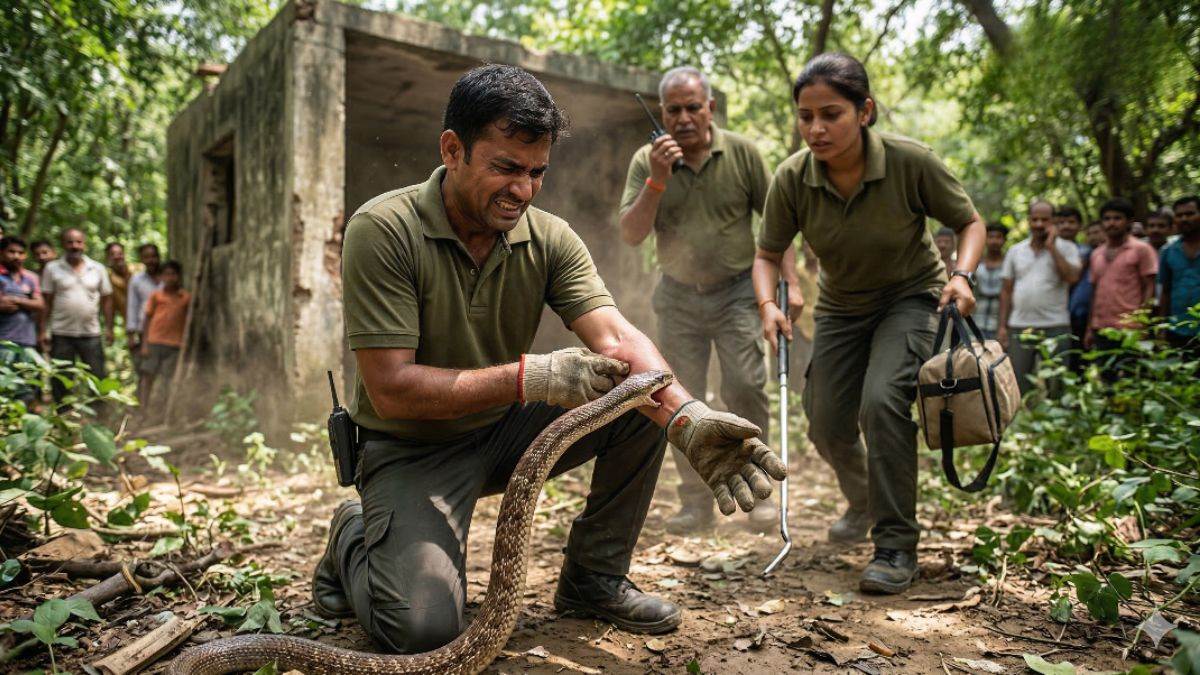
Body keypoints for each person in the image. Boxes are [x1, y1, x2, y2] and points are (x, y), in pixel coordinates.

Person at [316, 65, 786, 653]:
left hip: (503, 432)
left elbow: (615, 337)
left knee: (637, 395)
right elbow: (392, 389)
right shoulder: (384, 228)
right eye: (505, 168)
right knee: (422, 630)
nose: (524, 190)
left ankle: (593, 579)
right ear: (452, 149)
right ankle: (352, 535)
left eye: (537, 172)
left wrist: (687, 417)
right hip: (413, 447)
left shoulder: (549, 237)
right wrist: (534, 376)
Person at [752, 53, 985, 594]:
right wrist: (768, 303)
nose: (815, 129)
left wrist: (964, 274)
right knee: (825, 420)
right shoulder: (792, 177)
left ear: (865, 112)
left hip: (911, 296)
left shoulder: (910, 161)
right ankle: (863, 501)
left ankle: (895, 543)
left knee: (881, 402)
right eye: (805, 116)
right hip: (840, 306)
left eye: (830, 114)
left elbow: (968, 221)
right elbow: (768, 253)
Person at [618, 66, 798, 533]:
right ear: (661, 113)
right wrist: (658, 178)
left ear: (710, 108)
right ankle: (696, 501)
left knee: (744, 384)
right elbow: (631, 234)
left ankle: (758, 491)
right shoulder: (647, 159)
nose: (683, 118)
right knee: (680, 397)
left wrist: (790, 285)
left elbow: (778, 228)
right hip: (677, 295)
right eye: (673, 109)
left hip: (738, 291)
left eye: (693, 107)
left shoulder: (742, 153)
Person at [997, 200, 1081, 394]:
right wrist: (1002, 326)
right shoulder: (1015, 250)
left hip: (1056, 325)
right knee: (1018, 384)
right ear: (1028, 221)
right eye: (1035, 219)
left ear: (1054, 222)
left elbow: (1072, 277)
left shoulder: (1067, 248)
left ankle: (1057, 423)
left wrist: (1052, 247)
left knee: (1057, 383)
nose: (1039, 224)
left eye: (1045, 220)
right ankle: (1021, 422)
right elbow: (1006, 291)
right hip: (1020, 326)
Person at [40, 228, 114, 402]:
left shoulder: (97, 268)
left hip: (91, 334)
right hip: (61, 333)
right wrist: (42, 330)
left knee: (97, 376)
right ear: (63, 244)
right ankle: (63, 418)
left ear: (84, 244)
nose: (74, 246)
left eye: (78, 242)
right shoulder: (52, 268)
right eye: (70, 242)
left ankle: (100, 417)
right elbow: (46, 301)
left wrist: (109, 328)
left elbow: (107, 300)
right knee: (61, 378)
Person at [1088, 198, 1158, 370]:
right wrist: (1090, 327)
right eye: (1107, 218)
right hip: (1101, 327)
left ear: (1128, 222)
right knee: (1106, 379)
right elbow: (1095, 292)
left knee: (1129, 380)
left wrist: (1142, 323)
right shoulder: (1096, 254)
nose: (1111, 223)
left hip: (1130, 328)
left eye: (1117, 218)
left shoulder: (1142, 249)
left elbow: (1149, 287)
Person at [138, 260, 189, 413]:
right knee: (148, 377)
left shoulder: (185, 297)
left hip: (175, 344)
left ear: (179, 277)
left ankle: (165, 411)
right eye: (166, 274)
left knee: (169, 379)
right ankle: (143, 410)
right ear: (161, 277)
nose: (170, 278)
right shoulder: (156, 296)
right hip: (154, 342)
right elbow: (147, 319)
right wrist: (145, 344)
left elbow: (189, 321)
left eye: (173, 274)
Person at [0, 236, 45, 406]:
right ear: (2, 253)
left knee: (26, 387)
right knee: (3, 385)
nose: (16, 256)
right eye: (11, 252)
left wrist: (17, 300)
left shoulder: (31, 278)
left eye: (20, 252)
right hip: (3, 341)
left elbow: (40, 304)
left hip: (27, 342)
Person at [1158, 196, 1200, 355]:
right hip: (1177, 329)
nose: (1184, 219)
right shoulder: (1168, 251)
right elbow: (1165, 291)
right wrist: (1162, 327)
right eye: (1179, 215)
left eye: (1190, 214)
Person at [127, 243, 163, 387]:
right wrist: (131, 335)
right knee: (146, 372)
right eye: (146, 257)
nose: (151, 260)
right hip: (146, 334)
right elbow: (132, 307)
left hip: (167, 332)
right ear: (142, 259)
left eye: (153, 256)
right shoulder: (136, 280)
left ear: (159, 257)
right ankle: (144, 407)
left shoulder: (168, 277)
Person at [974, 224, 1007, 340]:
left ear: (1004, 240)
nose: (994, 241)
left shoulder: (1008, 264)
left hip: (999, 323)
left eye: (998, 237)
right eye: (991, 237)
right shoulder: (976, 263)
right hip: (976, 321)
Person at [105, 242, 131, 328]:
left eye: (120, 253)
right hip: (129, 323)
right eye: (112, 254)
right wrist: (109, 328)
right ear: (108, 257)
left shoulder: (138, 269)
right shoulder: (107, 278)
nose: (117, 257)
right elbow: (109, 304)